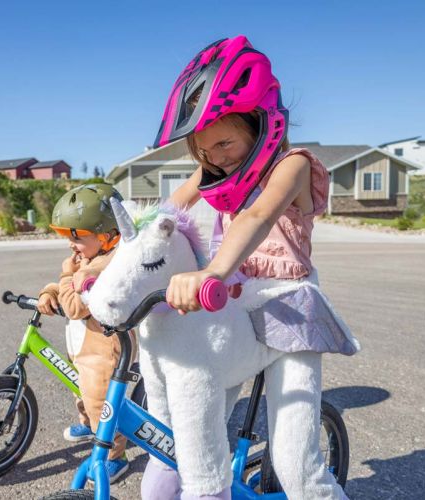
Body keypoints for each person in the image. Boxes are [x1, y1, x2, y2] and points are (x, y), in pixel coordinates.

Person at [142, 36, 359, 499]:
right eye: (203, 150)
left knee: (296, 465)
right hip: (232, 310)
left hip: (290, 313)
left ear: (262, 124)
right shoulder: (215, 170)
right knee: (194, 431)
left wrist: (212, 271)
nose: (215, 157)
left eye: (224, 142)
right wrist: (115, 253)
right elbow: (164, 214)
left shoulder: (292, 165)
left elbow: (258, 217)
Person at [37, 183, 133, 483]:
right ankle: (88, 423)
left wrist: (67, 276)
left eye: (76, 237)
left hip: (105, 349)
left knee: (100, 400)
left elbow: (76, 306)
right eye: (67, 236)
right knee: (79, 386)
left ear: (107, 236)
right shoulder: (89, 258)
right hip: (83, 344)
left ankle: (115, 455)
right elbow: (63, 287)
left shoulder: (106, 265)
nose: (70, 244)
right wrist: (49, 291)